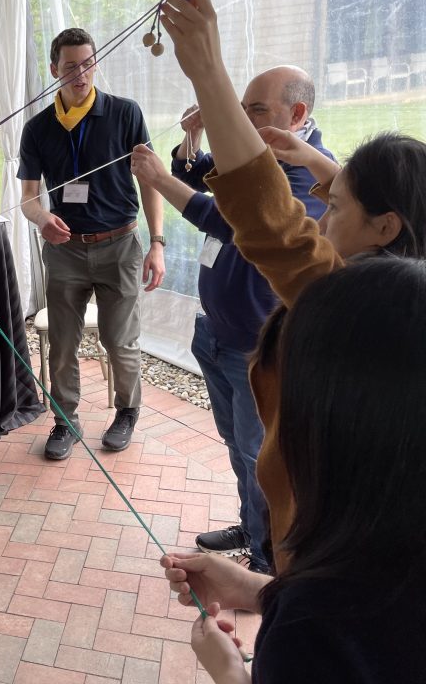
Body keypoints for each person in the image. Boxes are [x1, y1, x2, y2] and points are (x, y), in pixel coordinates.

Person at [155, 0, 426, 681]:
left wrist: (228, 669)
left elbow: (269, 222)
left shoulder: (350, 314)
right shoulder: (398, 318)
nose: (319, 219)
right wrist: (264, 589)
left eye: (334, 206)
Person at [161, 259, 426, 683]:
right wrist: (259, 591)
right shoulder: (384, 569)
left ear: (327, 447)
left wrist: (230, 674)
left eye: (274, 420)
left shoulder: (309, 630)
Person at [131, 66, 332, 573]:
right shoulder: (259, 156)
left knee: (259, 455)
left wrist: (157, 180)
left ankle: (267, 563)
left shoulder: (310, 173)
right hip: (217, 333)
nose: (242, 119)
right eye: (240, 107)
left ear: (298, 114)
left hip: (256, 345)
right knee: (238, 446)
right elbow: (197, 176)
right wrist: (191, 137)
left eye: (255, 110)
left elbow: (229, 216)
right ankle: (252, 526)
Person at [19, 27, 166, 460]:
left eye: (87, 63)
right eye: (70, 66)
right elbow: (28, 198)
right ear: (54, 70)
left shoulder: (125, 114)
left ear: (95, 63)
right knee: (63, 345)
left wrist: (156, 242)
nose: (80, 73)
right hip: (64, 252)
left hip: (120, 246)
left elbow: (151, 180)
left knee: (120, 342)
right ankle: (65, 421)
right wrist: (43, 218)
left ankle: (126, 412)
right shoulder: (38, 129)